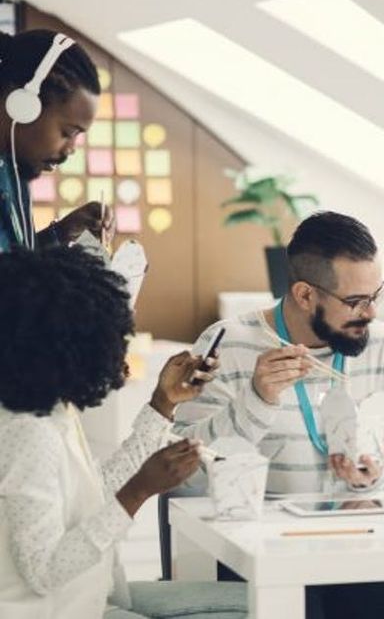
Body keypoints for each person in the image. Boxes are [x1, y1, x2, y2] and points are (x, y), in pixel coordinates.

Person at [174, 211, 384, 619]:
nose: (372, 313)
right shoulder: (227, 345)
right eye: (356, 301)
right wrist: (256, 401)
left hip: (362, 549)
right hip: (261, 552)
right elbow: (183, 476)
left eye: (377, 295)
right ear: (305, 295)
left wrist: (377, 473)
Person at [0, 246, 247, 619]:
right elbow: (43, 571)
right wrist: (138, 492)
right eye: (117, 333)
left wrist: (163, 404)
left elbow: (94, 495)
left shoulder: (49, 410)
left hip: (92, 599)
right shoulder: (29, 433)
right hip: (59, 610)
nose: (123, 345)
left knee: (257, 602)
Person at [0, 29, 114, 253]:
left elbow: (14, 264)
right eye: (68, 132)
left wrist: (60, 233)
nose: (71, 149)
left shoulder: (12, 172)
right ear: (23, 107)